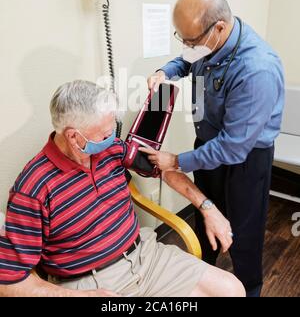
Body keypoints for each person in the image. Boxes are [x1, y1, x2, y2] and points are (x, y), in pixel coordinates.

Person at [0, 80, 245, 297]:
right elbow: (9, 282)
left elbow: (165, 168)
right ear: (74, 137)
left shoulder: (112, 149)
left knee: (231, 289)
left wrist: (207, 207)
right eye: (106, 133)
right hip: (88, 281)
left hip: (146, 257)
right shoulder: (32, 189)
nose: (113, 138)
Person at [143, 0, 285, 297]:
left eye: (191, 40)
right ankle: (202, 274)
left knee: (243, 235)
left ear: (218, 27)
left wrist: (176, 161)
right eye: (181, 38)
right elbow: (186, 60)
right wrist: (164, 71)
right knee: (205, 216)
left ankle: (250, 290)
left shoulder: (256, 69)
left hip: (245, 161)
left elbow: (234, 146)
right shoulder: (208, 43)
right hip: (206, 149)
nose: (186, 46)